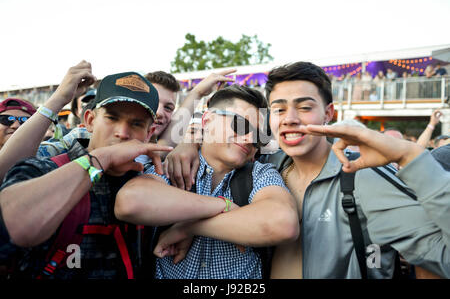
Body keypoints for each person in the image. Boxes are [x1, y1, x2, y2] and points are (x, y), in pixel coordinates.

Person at [164, 61, 450, 279]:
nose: (290, 119)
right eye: (278, 109)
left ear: (329, 114)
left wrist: (410, 156)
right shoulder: (264, 167)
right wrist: (189, 141)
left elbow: (440, 256)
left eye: (304, 107)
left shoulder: (363, 175)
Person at [0, 69, 172, 279]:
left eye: (136, 124)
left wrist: (187, 228)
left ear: (149, 133)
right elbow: (10, 228)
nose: (123, 133)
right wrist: (101, 159)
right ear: (90, 120)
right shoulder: (44, 169)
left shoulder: (149, 184)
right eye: (112, 118)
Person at [114, 85, 299, 279]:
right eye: (240, 125)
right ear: (207, 120)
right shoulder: (174, 166)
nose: (248, 139)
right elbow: (129, 202)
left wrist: (188, 227)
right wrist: (223, 205)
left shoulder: (259, 174)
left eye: (258, 137)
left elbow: (283, 223)